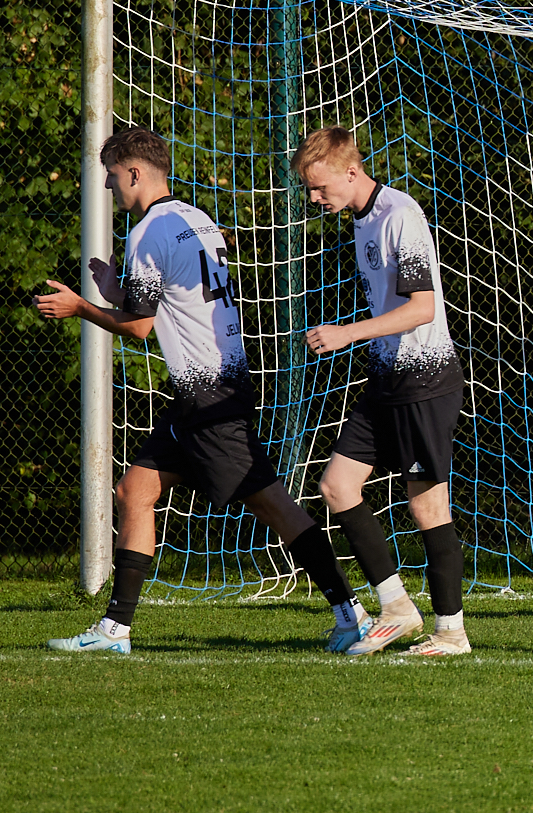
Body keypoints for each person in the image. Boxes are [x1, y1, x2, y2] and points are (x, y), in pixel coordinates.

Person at [37, 125, 366, 655]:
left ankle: (350, 614)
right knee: (134, 491)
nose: (110, 186)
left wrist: (80, 307)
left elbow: (139, 327)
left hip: (209, 395)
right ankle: (114, 631)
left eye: (113, 175)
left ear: (135, 172)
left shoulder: (148, 232)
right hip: (205, 391)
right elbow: (167, 302)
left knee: (273, 507)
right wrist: (117, 291)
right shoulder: (194, 219)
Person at [292, 127, 472, 656]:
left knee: (428, 508)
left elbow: (423, 308)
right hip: (387, 377)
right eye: (309, 189)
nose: (314, 198)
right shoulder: (363, 220)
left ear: (352, 172)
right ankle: (396, 607)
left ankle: (451, 632)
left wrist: (346, 333)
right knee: (336, 486)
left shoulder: (399, 215)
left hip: (425, 381)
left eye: (320, 187)